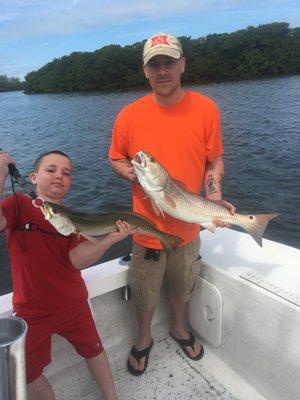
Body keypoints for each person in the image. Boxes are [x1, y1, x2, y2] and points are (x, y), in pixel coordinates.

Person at [108, 32, 236, 376]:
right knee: (144, 292)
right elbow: (116, 158)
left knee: (183, 285)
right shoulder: (129, 115)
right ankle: (143, 339)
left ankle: (179, 328)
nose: (162, 70)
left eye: (168, 62)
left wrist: (214, 196)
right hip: (146, 229)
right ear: (145, 71)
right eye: (155, 64)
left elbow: (214, 161)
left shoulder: (206, 108)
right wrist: (135, 175)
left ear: (182, 65)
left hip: (190, 224)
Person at [0, 149, 134, 400]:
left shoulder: (72, 218)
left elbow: (75, 260)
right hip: (31, 310)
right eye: (51, 170)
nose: (59, 176)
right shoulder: (17, 204)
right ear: (33, 177)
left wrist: (111, 238)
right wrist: (0, 171)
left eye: (66, 173)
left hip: (73, 304)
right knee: (27, 373)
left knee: (94, 350)